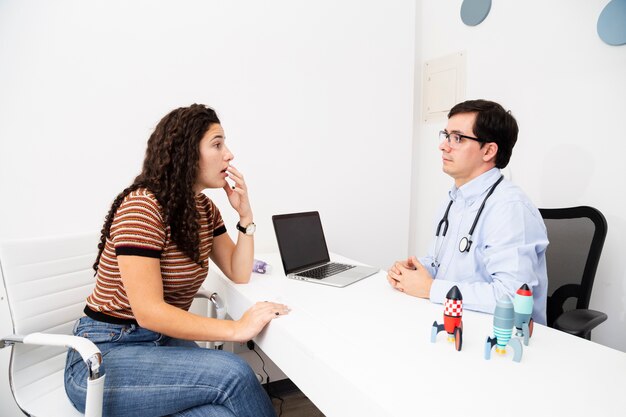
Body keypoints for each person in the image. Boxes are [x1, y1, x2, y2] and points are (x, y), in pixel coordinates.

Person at [64, 104, 288, 417]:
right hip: (104, 354)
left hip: (161, 344)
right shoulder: (143, 207)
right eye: (217, 144)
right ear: (186, 151)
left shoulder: (204, 209)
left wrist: (245, 216)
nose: (229, 154)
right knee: (235, 374)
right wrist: (237, 328)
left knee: (221, 413)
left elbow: (239, 272)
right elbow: (149, 313)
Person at [387, 99, 548, 325]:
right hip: (455, 319)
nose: (443, 146)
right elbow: (443, 264)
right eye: (446, 135)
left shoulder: (509, 208)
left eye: (458, 138)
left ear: (489, 150)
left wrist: (430, 288)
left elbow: (512, 297)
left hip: (500, 335)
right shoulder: (455, 199)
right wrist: (413, 271)